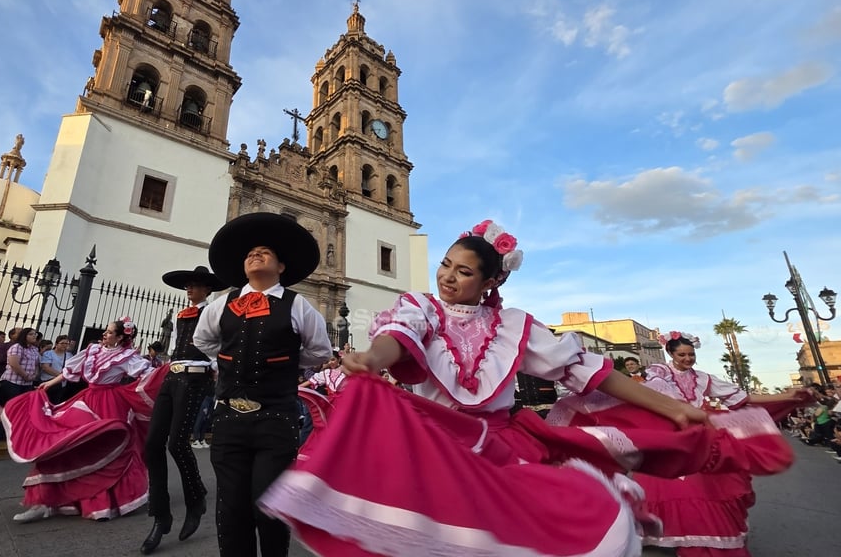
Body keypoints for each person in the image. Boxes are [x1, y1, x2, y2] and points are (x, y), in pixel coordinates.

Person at [258, 219, 787, 556]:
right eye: (445, 264)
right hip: (432, 440)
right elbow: (397, 339)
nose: (447, 277)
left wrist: (671, 409)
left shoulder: (516, 327)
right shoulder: (420, 307)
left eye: (463, 272)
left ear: (491, 281)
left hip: (500, 446)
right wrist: (371, 359)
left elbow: (595, 373)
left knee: (518, 537)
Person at [550, 333, 813, 556]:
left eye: (690, 355)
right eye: (682, 355)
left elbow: (741, 398)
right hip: (675, 432)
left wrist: (787, 395)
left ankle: (707, 539)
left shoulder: (704, 379)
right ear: (671, 355)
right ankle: (673, 535)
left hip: (700, 433)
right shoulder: (658, 373)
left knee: (710, 489)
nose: (687, 359)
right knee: (676, 488)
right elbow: (649, 394)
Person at [194, 212, 333, 557]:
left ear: (281, 267)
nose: (256, 255)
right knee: (231, 508)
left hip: (276, 419)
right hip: (228, 420)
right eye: (250, 253)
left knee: (268, 506)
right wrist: (231, 362)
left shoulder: (298, 304)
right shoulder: (220, 305)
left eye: (265, 252)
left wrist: (282, 362)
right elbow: (204, 341)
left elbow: (319, 352)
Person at [2, 318, 164, 523]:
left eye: (110, 331)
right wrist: (49, 384)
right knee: (65, 443)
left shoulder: (127, 356)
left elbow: (149, 376)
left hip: (111, 403)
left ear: (121, 337)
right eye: (106, 330)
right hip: (87, 400)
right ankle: (44, 502)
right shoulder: (93, 350)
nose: (105, 333)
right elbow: (72, 371)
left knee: (108, 449)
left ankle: (103, 502)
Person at [141, 265, 226, 554]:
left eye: (195, 285)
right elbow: (175, 345)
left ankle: (195, 498)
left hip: (196, 377)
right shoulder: (180, 314)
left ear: (207, 289)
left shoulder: (214, 312)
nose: (189, 289)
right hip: (173, 375)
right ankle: (161, 515)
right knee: (152, 444)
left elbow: (220, 347)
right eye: (187, 285)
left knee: (178, 443)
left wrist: (216, 373)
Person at [0, 328, 40, 404]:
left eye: (35, 334)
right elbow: (14, 364)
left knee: (22, 405)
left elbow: (36, 364)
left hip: (27, 383)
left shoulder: (34, 349)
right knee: (11, 404)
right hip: (13, 382)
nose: (34, 336)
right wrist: (26, 376)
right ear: (24, 336)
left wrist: (35, 375)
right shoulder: (17, 347)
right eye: (31, 334)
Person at [39, 335, 72, 403]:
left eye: (67, 343)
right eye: (62, 343)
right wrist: (60, 375)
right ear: (56, 344)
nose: (65, 345)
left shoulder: (69, 355)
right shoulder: (48, 354)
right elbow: (46, 367)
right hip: (48, 380)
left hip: (61, 384)